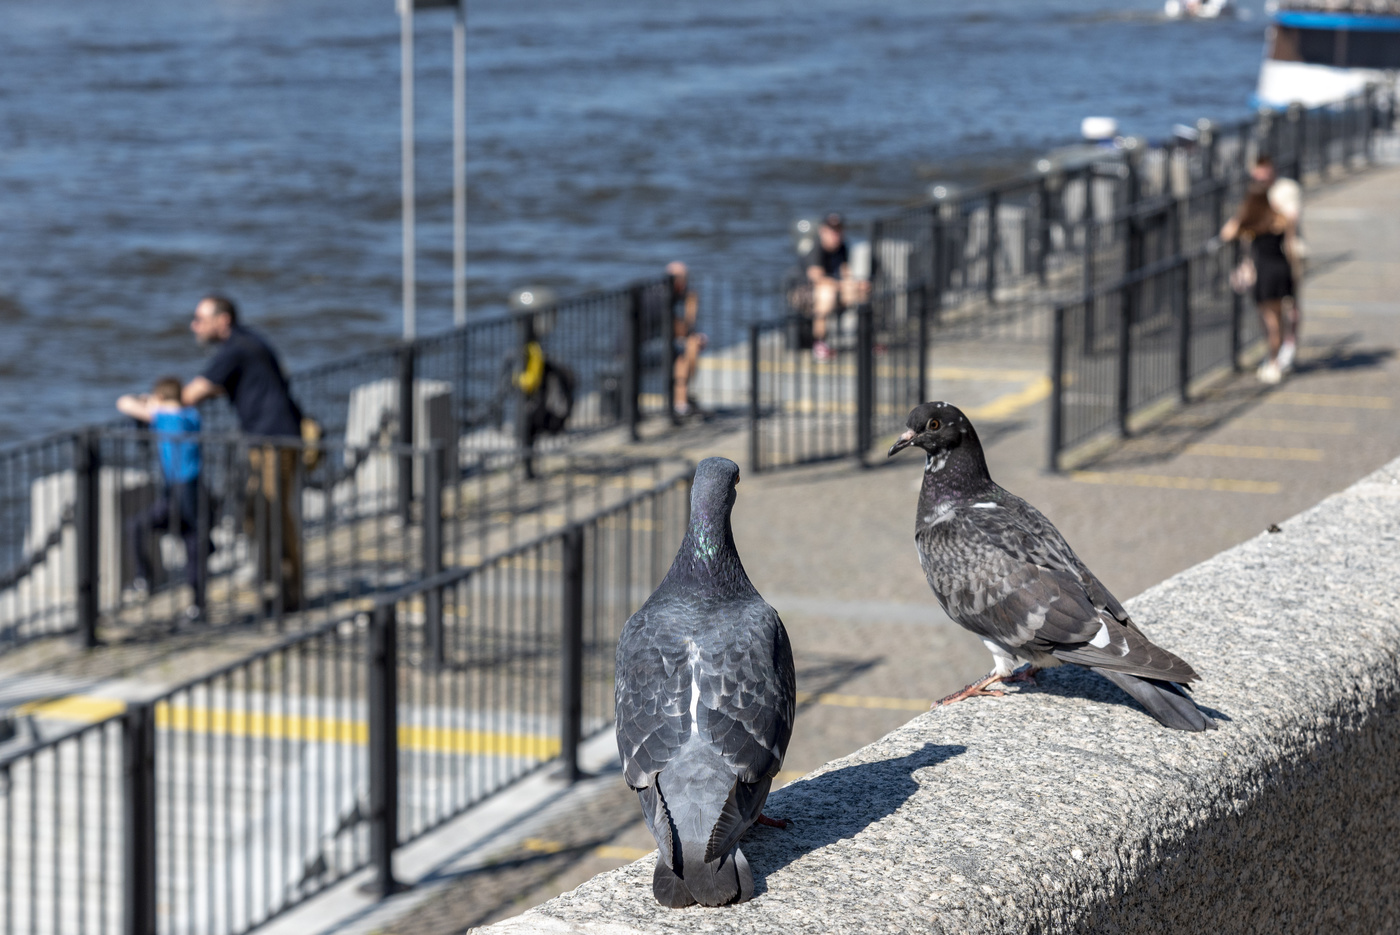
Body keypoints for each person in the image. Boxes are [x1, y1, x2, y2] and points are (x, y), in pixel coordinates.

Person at [182, 295, 304, 612]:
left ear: (222, 321)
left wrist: (146, 406)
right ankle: (276, 588)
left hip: (271, 443)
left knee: (271, 514)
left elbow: (191, 394)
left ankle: (286, 595)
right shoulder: (249, 342)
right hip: (275, 439)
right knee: (258, 513)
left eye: (200, 319)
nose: (194, 326)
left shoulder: (234, 350)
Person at [118, 377, 208, 620]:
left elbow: (124, 403)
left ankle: (143, 578)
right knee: (192, 542)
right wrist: (154, 402)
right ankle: (198, 604)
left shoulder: (164, 418)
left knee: (143, 528)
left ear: (160, 398)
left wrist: (145, 403)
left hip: (178, 489)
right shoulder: (192, 416)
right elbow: (175, 408)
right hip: (194, 486)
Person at [1221, 180, 1297, 385]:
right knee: (1279, 319)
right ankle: (1277, 358)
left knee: (1269, 321)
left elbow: (1226, 234)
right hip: (1281, 269)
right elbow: (1290, 246)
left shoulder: (1249, 222)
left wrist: (1241, 214)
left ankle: (1273, 361)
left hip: (1264, 272)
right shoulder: (1279, 218)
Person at [1251, 155, 1304, 372]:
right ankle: (1275, 349)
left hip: (1288, 254)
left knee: (1290, 305)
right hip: (1264, 257)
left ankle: (1287, 347)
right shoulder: (1254, 192)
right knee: (1267, 308)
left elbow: (1290, 219)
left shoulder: (1286, 189)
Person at [803, 213, 862, 361]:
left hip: (834, 287)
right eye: (832, 230)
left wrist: (857, 284)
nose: (836, 234)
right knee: (826, 295)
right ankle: (819, 344)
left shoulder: (842, 247)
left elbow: (846, 272)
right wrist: (842, 285)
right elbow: (817, 278)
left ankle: (866, 337)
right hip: (804, 292)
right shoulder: (816, 247)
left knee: (863, 292)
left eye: (839, 230)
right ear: (822, 231)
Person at [665, 261, 708, 421]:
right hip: (635, 348)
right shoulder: (662, 297)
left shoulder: (671, 294)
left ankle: (681, 401)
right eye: (684, 279)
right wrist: (691, 303)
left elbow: (687, 329)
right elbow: (680, 330)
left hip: (659, 342)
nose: (687, 282)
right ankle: (680, 404)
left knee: (690, 345)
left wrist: (691, 307)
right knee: (683, 354)